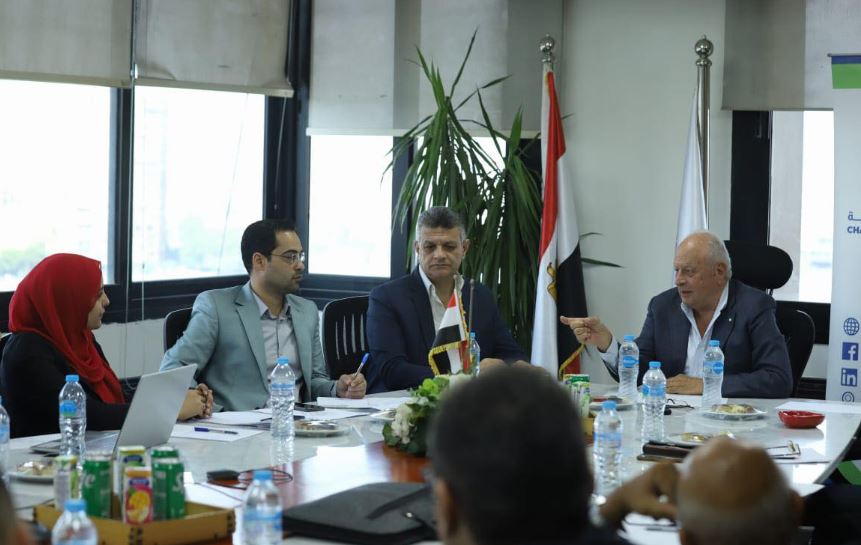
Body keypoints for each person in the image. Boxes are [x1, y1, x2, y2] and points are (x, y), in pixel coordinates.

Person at [160, 220, 366, 411]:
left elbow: (315, 381)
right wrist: (203, 405)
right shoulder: (216, 307)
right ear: (259, 261)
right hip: (236, 429)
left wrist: (338, 389)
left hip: (295, 424)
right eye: (290, 257)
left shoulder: (307, 311)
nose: (300, 265)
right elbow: (173, 369)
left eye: (300, 256)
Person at [0, 254, 211, 438]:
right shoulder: (26, 353)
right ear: (69, 298)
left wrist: (179, 397)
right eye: (97, 294)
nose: (107, 301)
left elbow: (115, 398)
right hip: (45, 462)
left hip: (93, 448)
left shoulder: (81, 339)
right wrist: (169, 409)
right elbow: (90, 415)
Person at [561, 231, 792, 398]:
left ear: (719, 272)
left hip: (732, 426)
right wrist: (607, 343)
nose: (678, 280)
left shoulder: (755, 307)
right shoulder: (663, 306)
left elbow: (777, 379)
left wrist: (704, 385)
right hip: (673, 420)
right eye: (677, 270)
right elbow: (641, 371)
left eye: (688, 272)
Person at [366, 206, 526, 393]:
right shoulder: (387, 297)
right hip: (408, 401)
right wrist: (466, 377)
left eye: (449, 247)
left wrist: (510, 368)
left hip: (471, 402)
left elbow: (512, 354)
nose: (439, 255)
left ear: (464, 248)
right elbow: (393, 371)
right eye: (430, 247)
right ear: (418, 248)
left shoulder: (479, 295)